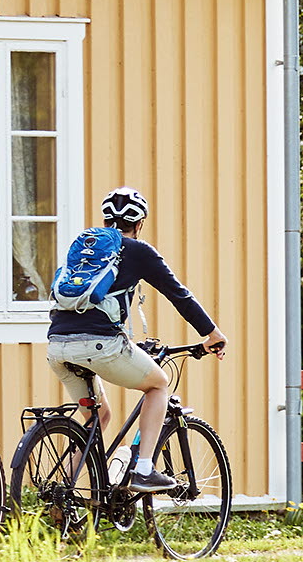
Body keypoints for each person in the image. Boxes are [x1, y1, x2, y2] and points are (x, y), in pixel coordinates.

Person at [46, 186, 227, 493]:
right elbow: (178, 295)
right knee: (158, 385)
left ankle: (65, 490)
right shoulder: (140, 252)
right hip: (101, 345)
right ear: (139, 223)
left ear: (105, 220)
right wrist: (212, 333)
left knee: (98, 416)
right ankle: (143, 469)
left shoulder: (85, 247)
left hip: (58, 346)